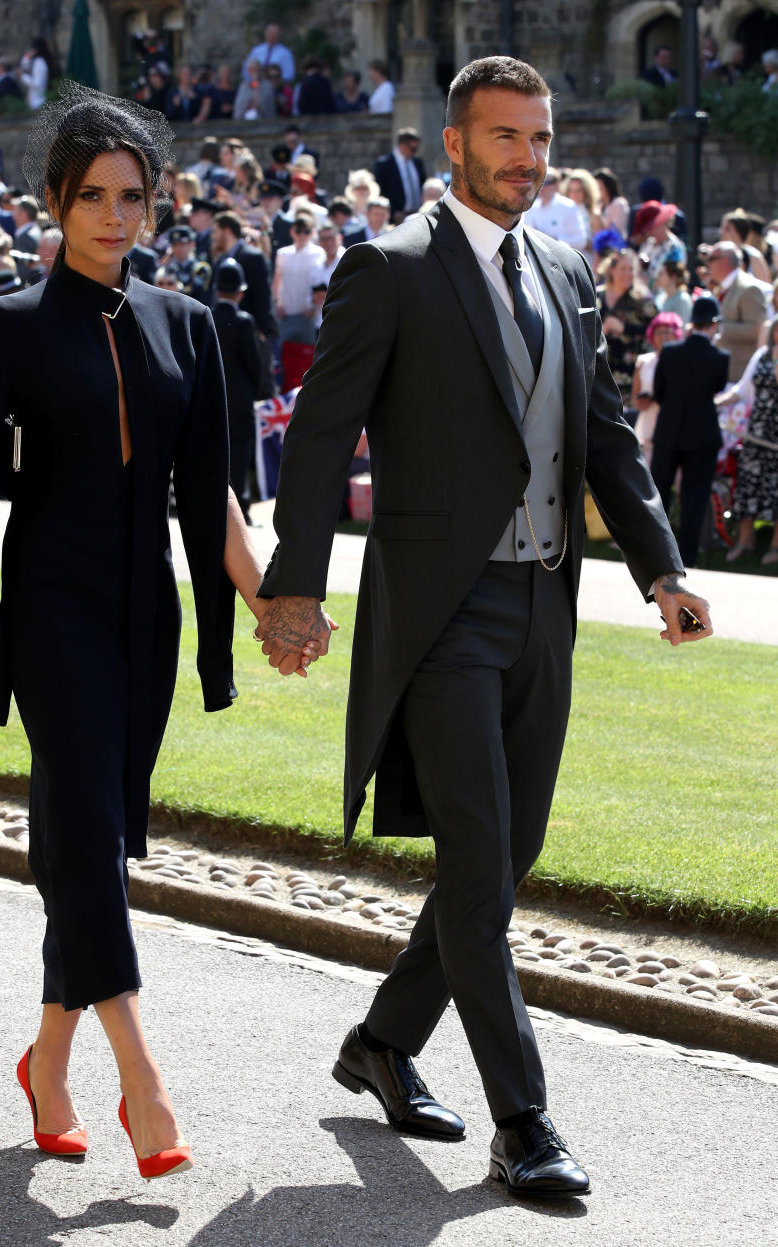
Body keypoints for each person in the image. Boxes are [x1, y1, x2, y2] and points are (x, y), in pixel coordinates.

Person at [254, 54, 711, 1201]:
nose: (528, 157)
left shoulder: (565, 269)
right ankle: (527, 1119)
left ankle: (381, 1042)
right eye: (505, 137)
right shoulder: (388, 267)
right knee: (474, 862)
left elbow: (604, 435)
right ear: (454, 143)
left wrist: (661, 569)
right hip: (439, 612)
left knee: (504, 864)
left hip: (542, 605)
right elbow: (320, 437)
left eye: (541, 138)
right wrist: (293, 587)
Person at [0, 83, 311, 1180]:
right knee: (92, 830)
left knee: (86, 838)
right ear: (56, 201)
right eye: (93, 196)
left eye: (133, 197)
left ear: (155, 206)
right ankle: (141, 1079)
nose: (114, 215)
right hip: (46, 606)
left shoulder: (189, 324)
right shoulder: (6, 327)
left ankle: (46, 1060)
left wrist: (271, 604)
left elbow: (214, 502)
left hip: (144, 615)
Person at [651, 296, 731, 565]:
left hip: (670, 430)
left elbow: (659, 392)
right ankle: (688, 557)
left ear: (692, 322)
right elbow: (717, 389)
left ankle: (655, 553)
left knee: (659, 492)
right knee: (694, 496)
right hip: (703, 434)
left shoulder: (670, 352)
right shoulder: (720, 358)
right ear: (714, 324)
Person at [718, 317, 778, 564]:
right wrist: (714, 403)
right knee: (748, 485)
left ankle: (774, 546)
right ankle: (745, 540)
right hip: (756, 432)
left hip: (775, 438)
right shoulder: (762, 354)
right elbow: (742, 389)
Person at [213, 260, 262, 522]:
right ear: (240, 293)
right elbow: (253, 364)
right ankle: (240, 509)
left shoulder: (206, 315)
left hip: (213, 399)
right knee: (240, 457)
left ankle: (215, 504)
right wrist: (253, 392)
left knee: (216, 453)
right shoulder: (242, 321)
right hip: (240, 400)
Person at [596, 250, 657, 402]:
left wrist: (625, 329)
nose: (628, 274)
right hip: (599, 373)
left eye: (631, 269)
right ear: (611, 270)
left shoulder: (642, 300)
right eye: (623, 269)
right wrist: (598, 330)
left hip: (631, 376)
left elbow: (656, 329)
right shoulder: (595, 296)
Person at [706, 241, 769, 381]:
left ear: (725, 260)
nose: (708, 264)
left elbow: (756, 329)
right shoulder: (721, 288)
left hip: (740, 375)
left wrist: (718, 327)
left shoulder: (749, 288)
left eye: (711, 259)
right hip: (724, 372)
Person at [630, 310, 683, 464]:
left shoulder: (682, 362)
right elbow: (634, 396)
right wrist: (639, 402)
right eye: (659, 332)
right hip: (647, 421)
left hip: (672, 422)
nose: (663, 336)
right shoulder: (644, 361)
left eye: (668, 331)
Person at [272, 214, 324, 345]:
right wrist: (277, 303)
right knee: (286, 356)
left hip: (307, 314)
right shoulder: (283, 253)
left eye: (306, 231)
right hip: (286, 314)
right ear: (292, 232)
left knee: (307, 356)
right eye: (298, 231)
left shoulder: (318, 253)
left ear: (312, 233)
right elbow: (277, 279)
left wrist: (313, 306)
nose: (302, 235)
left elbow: (319, 282)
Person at [523, 168, 585, 249]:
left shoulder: (568, 206)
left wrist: (555, 241)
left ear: (557, 185)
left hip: (560, 258)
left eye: (546, 182)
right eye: (539, 181)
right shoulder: (530, 207)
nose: (542, 186)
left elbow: (581, 240)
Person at [373, 129, 426, 223]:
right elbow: (381, 190)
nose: (414, 152)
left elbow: (422, 186)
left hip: (417, 214)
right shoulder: (384, 164)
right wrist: (393, 212)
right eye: (412, 149)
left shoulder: (417, 163)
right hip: (396, 217)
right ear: (402, 145)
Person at [594, 167, 629, 238]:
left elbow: (616, 231)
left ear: (608, 186)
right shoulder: (600, 205)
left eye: (599, 187)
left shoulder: (619, 204)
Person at [20, 39, 51, 110]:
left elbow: (37, 84)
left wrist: (22, 76)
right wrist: (27, 57)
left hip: (38, 102)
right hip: (34, 101)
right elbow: (24, 66)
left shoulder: (40, 63)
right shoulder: (35, 61)